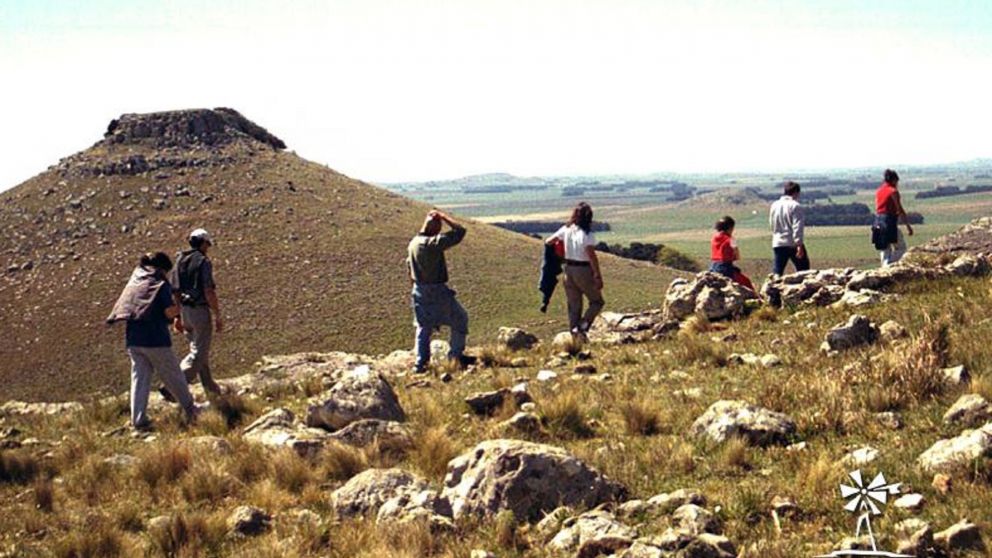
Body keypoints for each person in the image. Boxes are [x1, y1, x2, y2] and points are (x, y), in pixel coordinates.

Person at [107, 252, 197, 429]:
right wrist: (180, 307)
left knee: (140, 379)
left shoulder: (136, 282)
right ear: (162, 269)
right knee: (174, 376)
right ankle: (190, 409)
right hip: (155, 339)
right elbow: (168, 312)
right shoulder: (159, 284)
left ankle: (138, 419)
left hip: (133, 338)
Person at [408, 209, 476, 373]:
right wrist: (444, 216)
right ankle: (455, 357)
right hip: (436, 289)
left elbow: (408, 268)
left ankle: (420, 363)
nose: (439, 231)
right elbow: (460, 232)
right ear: (433, 229)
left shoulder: (413, 243)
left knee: (423, 327)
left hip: (419, 289)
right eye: (438, 227)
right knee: (460, 319)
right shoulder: (431, 244)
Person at [167, 228, 223, 397]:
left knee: (199, 350)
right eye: (207, 244)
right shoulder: (203, 262)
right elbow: (208, 290)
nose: (208, 247)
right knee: (199, 353)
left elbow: (175, 290)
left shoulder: (180, 260)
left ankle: (211, 390)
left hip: (185, 311)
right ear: (203, 243)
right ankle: (174, 385)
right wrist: (217, 314)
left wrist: (177, 316)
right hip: (199, 310)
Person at [546, 202, 605, 341]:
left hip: (568, 269)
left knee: (574, 305)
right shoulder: (587, 234)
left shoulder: (566, 229)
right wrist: (597, 275)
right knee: (597, 302)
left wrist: (560, 250)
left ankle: (574, 336)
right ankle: (582, 326)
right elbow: (591, 255)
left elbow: (549, 241)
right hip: (583, 269)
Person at [874, 169, 914, 266]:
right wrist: (908, 226)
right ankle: (889, 266)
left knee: (884, 249)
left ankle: (884, 267)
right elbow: (899, 209)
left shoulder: (879, 191)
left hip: (877, 223)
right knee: (901, 248)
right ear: (894, 180)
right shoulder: (893, 191)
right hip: (889, 223)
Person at [769, 180, 810, 276]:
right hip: (792, 243)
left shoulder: (774, 205)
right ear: (796, 192)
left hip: (778, 242)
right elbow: (797, 226)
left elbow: (772, 223)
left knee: (778, 271)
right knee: (804, 271)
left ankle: (773, 289)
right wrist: (799, 244)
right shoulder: (795, 206)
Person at [710, 216, 757, 293]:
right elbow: (737, 255)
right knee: (746, 282)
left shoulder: (714, 238)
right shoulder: (730, 239)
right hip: (725, 268)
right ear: (730, 228)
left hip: (713, 266)